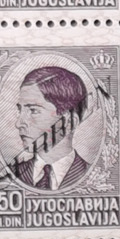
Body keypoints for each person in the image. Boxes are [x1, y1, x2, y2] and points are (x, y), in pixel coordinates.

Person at [10, 63, 90, 191]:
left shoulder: (94, 176)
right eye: (20, 110)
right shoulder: (10, 175)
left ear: (69, 122)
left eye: (33, 110)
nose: (18, 124)